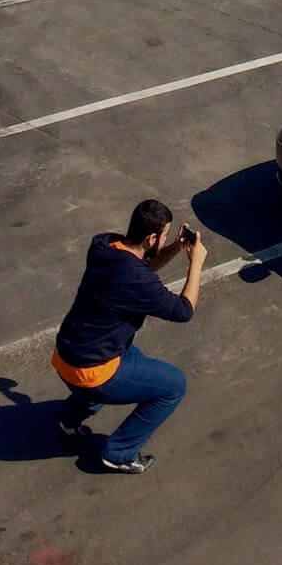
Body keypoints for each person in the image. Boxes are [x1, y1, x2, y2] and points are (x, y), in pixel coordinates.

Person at [52, 197, 205, 475]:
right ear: (150, 238)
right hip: (92, 369)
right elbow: (184, 310)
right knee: (173, 386)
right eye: (164, 235)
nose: (166, 238)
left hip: (67, 353)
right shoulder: (136, 279)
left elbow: (142, 268)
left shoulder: (104, 245)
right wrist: (196, 264)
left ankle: (69, 421)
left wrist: (174, 248)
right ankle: (119, 453)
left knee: (134, 364)